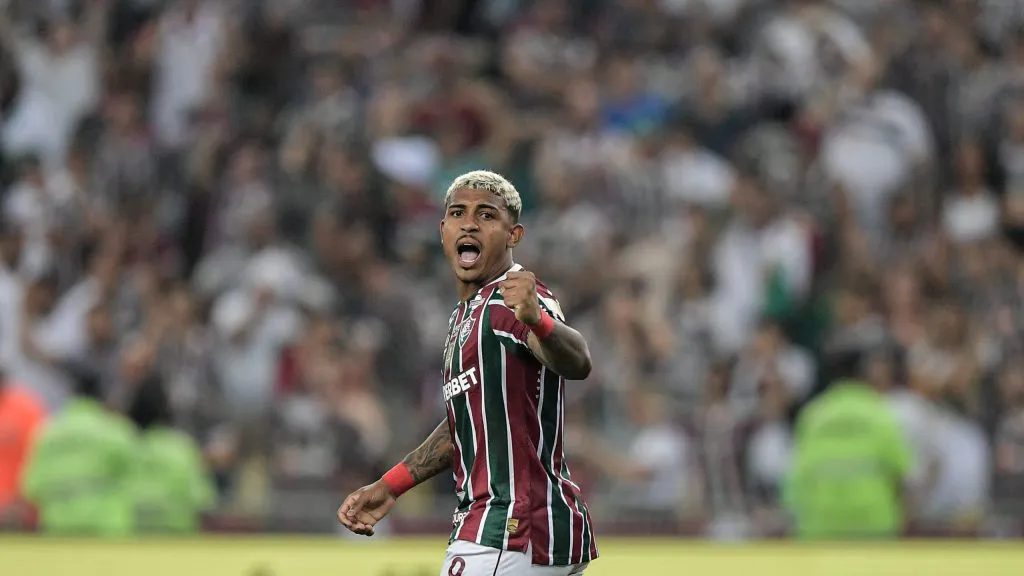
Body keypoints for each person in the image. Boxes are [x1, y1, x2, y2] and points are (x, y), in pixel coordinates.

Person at [337, 170, 597, 575]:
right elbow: (467, 421)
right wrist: (391, 485)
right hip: (523, 527)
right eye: (458, 213)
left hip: (511, 527)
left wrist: (538, 320)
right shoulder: (466, 315)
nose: (470, 223)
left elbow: (578, 361)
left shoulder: (513, 299)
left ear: (514, 235)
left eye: (487, 215)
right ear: (443, 230)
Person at [783, 351, 913, 539]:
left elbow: (797, 476)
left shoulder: (813, 414)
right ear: (863, 375)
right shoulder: (879, 412)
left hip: (821, 524)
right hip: (873, 522)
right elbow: (901, 472)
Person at [20, 365, 136, 535]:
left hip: (59, 530)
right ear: (102, 396)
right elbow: (138, 478)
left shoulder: (47, 432)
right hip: (106, 531)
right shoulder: (115, 431)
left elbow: (31, 487)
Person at [128, 374, 216, 533]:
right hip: (178, 539)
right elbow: (202, 502)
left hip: (133, 540)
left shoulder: (127, 448)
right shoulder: (182, 448)